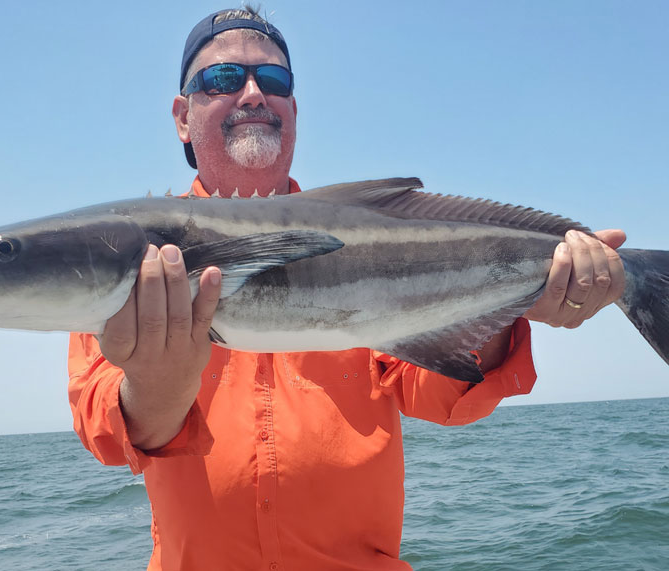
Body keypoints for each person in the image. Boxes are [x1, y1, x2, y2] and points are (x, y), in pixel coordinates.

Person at [68, 7, 625, 570]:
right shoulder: (133, 256)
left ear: (293, 110)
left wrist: (507, 310)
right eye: (223, 79)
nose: (255, 93)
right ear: (183, 117)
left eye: (275, 80)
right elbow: (106, 433)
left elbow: (439, 396)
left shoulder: (367, 240)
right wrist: (157, 386)